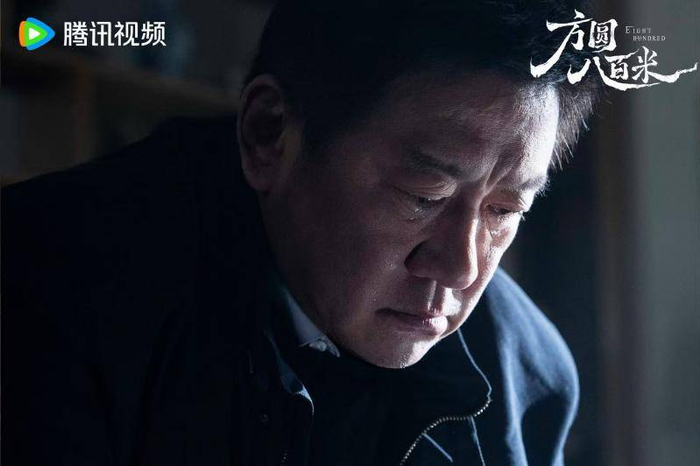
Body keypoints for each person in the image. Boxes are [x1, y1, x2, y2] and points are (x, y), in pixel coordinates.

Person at [2, 1, 601, 465]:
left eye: (504, 210)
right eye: (425, 195)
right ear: (268, 135)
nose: (462, 267)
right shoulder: (46, 285)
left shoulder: (529, 376)